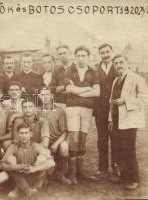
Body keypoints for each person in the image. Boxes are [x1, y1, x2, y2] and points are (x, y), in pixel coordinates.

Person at [108, 54, 146, 190]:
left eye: (121, 62)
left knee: (129, 149)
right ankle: (123, 176)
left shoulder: (137, 78)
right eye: (116, 63)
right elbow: (111, 101)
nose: (119, 65)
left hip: (129, 120)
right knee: (119, 149)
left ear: (127, 62)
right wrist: (110, 119)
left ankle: (134, 179)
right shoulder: (115, 80)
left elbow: (143, 99)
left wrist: (126, 101)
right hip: (117, 119)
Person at [65, 46, 100, 184]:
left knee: (83, 139)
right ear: (75, 57)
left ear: (88, 56)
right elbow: (68, 88)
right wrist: (87, 88)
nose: (80, 58)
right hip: (72, 108)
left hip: (87, 108)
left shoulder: (93, 71)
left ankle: (81, 171)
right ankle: (72, 173)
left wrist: (76, 91)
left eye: (83, 55)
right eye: (78, 55)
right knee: (73, 139)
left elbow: (97, 92)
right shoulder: (70, 70)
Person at [0, 123, 55, 199]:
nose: (24, 136)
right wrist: (17, 167)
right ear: (18, 134)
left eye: (26, 133)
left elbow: (52, 162)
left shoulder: (36, 146)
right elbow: (1, 165)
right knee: (10, 159)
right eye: (21, 133)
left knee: (42, 158)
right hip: (19, 174)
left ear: (31, 134)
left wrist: (34, 168)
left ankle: (18, 189)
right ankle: (27, 189)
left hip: (34, 176)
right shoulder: (14, 146)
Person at [94, 44, 118, 179]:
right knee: (101, 139)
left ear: (112, 52)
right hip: (100, 110)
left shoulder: (118, 66)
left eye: (107, 52)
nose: (105, 55)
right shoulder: (96, 69)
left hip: (115, 109)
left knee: (116, 139)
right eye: (102, 53)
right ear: (100, 55)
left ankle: (116, 168)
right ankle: (102, 168)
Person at [38, 87, 71, 185]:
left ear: (52, 96)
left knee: (64, 147)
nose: (45, 97)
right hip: (43, 141)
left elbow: (65, 132)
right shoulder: (36, 110)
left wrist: (56, 144)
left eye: (47, 95)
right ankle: (43, 174)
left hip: (56, 141)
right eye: (42, 95)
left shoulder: (59, 111)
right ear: (39, 97)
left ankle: (60, 173)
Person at [49, 45, 72, 109]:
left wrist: (60, 89)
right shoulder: (56, 70)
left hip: (74, 103)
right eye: (60, 54)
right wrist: (66, 87)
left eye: (64, 53)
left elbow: (79, 87)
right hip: (60, 103)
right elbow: (51, 88)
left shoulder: (76, 68)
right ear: (58, 56)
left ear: (69, 53)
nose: (62, 55)